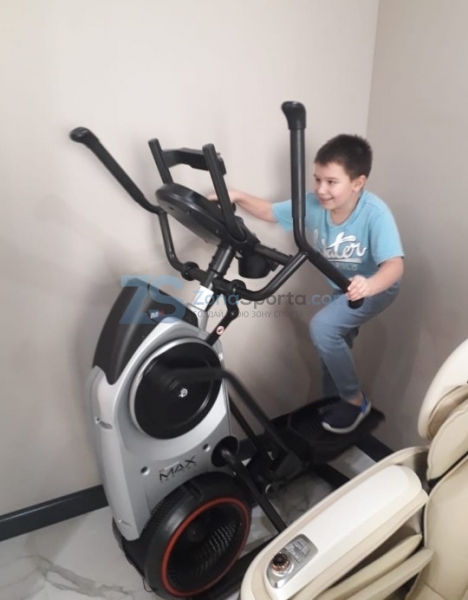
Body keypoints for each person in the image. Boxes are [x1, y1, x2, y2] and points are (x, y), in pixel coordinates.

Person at [210, 134, 404, 434]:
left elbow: (394, 266)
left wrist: (369, 285)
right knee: (332, 343)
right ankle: (335, 401)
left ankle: (355, 401)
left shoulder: (374, 213)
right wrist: (236, 195)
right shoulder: (313, 204)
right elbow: (270, 212)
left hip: (377, 287)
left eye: (331, 182)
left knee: (323, 328)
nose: (321, 189)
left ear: (358, 182)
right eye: (317, 179)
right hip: (342, 288)